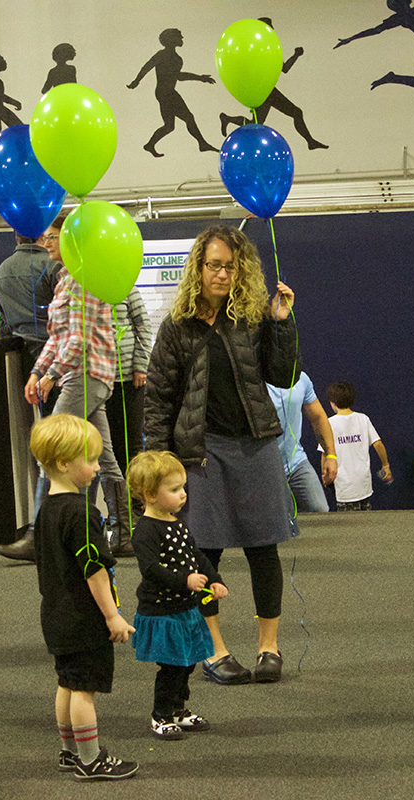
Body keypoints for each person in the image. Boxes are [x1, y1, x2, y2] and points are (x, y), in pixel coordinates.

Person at [145, 225, 299, 686]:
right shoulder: (177, 327)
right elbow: (157, 399)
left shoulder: (251, 319)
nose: (222, 274)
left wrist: (283, 323)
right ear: (198, 268)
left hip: (255, 445)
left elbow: (285, 376)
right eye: (214, 265)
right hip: (201, 450)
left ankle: (269, 648)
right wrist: (157, 463)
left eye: (230, 266)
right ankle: (215, 649)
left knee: (262, 548)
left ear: (241, 270)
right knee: (203, 553)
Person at [30, 413, 138, 780]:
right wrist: (112, 616)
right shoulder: (82, 513)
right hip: (83, 617)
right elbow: (94, 569)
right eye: (90, 460)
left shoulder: (45, 510)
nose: (96, 467)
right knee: (84, 691)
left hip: (55, 613)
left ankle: (69, 751)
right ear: (63, 463)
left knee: (67, 682)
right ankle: (91, 760)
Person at [25, 216, 129, 554]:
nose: (46, 242)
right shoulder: (65, 281)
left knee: (54, 445)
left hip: (86, 372)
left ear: (70, 240)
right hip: (81, 373)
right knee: (107, 458)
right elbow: (58, 338)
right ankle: (123, 534)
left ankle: (40, 537)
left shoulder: (83, 279)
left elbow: (80, 340)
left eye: (53, 237)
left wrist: (51, 375)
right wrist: (37, 371)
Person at [126, 451, 226, 740]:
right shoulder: (145, 530)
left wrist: (214, 581)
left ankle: (179, 709)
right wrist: (187, 580)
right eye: (174, 490)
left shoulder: (177, 522)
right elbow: (151, 570)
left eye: (183, 488)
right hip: (162, 611)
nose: (183, 495)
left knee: (188, 662)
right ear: (149, 494)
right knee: (171, 666)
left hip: (185, 607)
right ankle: (161, 715)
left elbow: (196, 555)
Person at [0, 227, 65, 561]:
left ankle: (41, 529)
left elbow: (3, 325)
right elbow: (62, 323)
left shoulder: (0, 272)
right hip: (55, 362)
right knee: (60, 443)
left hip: (19, 361)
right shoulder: (54, 268)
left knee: (37, 444)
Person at [219, 18, 328, 150]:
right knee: (295, 113)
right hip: (263, 90)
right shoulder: (255, 48)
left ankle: (228, 118)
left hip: (264, 89)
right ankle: (310, 141)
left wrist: (296, 55)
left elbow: (284, 68)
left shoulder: (268, 48)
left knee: (256, 123)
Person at [103, 288, 152, 556]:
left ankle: (141, 514)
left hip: (130, 381)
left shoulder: (126, 289)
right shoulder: (85, 285)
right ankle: (121, 522)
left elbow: (142, 324)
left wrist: (141, 365)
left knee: (132, 449)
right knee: (108, 450)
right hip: (100, 380)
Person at [126, 28, 218, 158]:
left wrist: (201, 78)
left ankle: (150, 144)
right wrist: (136, 81)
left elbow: (179, 76)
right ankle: (202, 143)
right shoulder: (162, 54)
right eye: (179, 37)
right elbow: (147, 66)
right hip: (165, 93)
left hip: (167, 92)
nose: (182, 39)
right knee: (188, 118)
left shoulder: (177, 59)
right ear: (171, 40)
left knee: (169, 126)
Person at [334, 0, 414, 91]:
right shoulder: (405, 15)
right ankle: (392, 78)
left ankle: (392, 78)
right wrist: (350, 39)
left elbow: (375, 30)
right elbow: (375, 30)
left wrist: (350, 39)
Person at [268, 371, 337, 513]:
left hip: (296, 463)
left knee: (320, 510)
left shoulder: (301, 378)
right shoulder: (252, 378)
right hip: (263, 466)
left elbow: (318, 417)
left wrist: (331, 456)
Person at [324, 381, 390, 511]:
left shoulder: (329, 423)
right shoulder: (363, 419)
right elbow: (378, 443)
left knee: (347, 528)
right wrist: (386, 465)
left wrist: (325, 474)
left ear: (332, 402)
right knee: (366, 525)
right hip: (363, 485)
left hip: (344, 488)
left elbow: (325, 452)